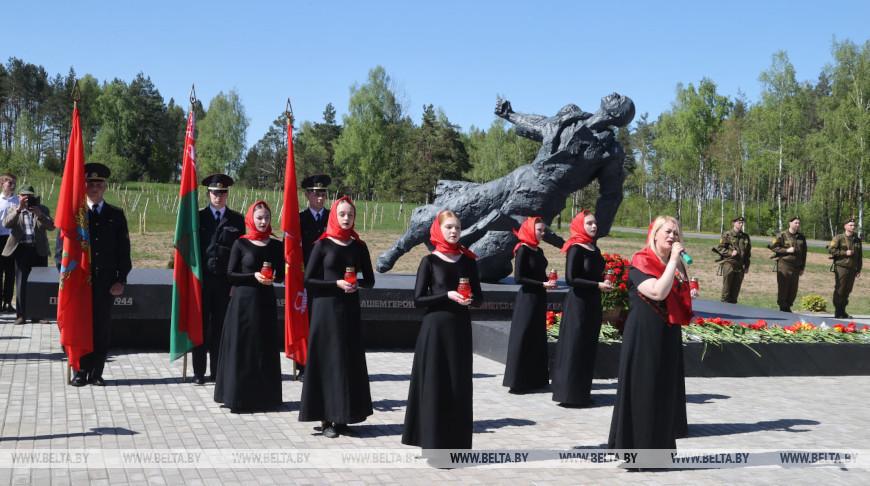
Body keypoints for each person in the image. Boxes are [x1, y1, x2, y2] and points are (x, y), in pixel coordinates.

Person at [608, 216, 698, 451]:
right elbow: (657, 292)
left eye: (676, 233)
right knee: (644, 387)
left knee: (664, 388)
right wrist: (673, 263)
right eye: (667, 232)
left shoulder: (675, 263)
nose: (672, 237)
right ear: (655, 234)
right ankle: (636, 448)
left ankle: (658, 449)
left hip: (667, 332)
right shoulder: (641, 260)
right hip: (644, 334)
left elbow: (674, 294)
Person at [402, 211, 483, 449]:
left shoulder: (468, 260)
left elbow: (479, 297)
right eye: (449, 227)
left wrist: (470, 301)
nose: (454, 231)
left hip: (459, 329)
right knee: (435, 384)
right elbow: (418, 299)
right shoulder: (429, 261)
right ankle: (432, 441)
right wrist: (447, 295)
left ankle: (456, 445)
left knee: (458, 385)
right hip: (435, 330)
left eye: (457, 227)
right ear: (439, 229)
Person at [299, 197, 375, 438]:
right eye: (342, 214)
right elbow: (308, 280)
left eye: (350, 215)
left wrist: (355, 285)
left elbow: (370, 280)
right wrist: (336, 283)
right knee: (327, 362)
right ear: (334, 215)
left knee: (346, 362)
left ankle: (343, 416)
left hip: (349, 309)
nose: (346, 219)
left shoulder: (358, 246)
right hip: (325, 310)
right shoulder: (322, 245)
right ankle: (326, 420)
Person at [213, 201, 285, 412]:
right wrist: (253, 276)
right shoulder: (241, 243)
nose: (263, 222)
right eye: (259, 218)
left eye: (267, 218)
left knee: (264, 347)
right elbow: (230, 274)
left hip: (265, 302)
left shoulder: (276, 245)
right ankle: (238, 396)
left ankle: (265, 397)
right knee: (242, 348)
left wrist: (273, 278)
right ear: (251, 220)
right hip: (243, 303)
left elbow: (281, 275)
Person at [70, 163, 131, 387]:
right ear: (84, 187)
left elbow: (124, 251)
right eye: (90, 184)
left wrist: (121, 280)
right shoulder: (76, 214)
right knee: (80, 326)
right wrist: (65, 276)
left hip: (105, 281)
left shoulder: (116, 215)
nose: (94, 189)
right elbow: (63, 251)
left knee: (101, 328)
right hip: (79, 281)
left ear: (105, 187)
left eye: (98, 185)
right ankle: (80, 371)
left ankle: (96, 372)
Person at [551, 211, 613, 407]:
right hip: (578, 303)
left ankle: (582, 393)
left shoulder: (594, 248)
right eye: (589, 223)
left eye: (595, 223)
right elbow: (571, 279)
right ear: (579, 225)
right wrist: (597, 285)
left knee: (588, 346)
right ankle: (568, 394)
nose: (594, 226)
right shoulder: (575, 248)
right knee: (575, 346)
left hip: (593, 302)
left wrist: (604, 282)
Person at [192, 174, 245, 385]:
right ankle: (198, 372)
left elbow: (241, 253)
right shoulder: (198, 217)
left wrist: (235, 282)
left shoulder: (236, 220)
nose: (219, 196)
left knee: (221, 328)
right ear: (208, 194)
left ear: (227, 194)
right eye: (215, 192)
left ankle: (218, 371)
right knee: (200, 327)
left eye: (222, 192)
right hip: (202, 281)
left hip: (225, 282)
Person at [502, 216, 557, 393]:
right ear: (530, 230)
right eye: (539, 230)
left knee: (537, 337)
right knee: (524, 336)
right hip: (527, 298)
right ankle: (518, 381)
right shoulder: (523, 249)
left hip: (539, 297)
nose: (542, 233)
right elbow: (519, 278)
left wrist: (548, 281)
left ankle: (536, 379)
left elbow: (539, 274)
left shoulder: (538, 251)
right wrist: (543, 284)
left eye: (543, 230)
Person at [3, 185, 55, 324]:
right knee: (21, 283)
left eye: (30, 196)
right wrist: (18, 210)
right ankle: (21, 315)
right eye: (24, 196)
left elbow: (51, 226)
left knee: (40, 284)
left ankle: (38, 315)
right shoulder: (13, 208)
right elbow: (6, 224)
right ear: (19, 197)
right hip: (21, 250)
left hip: (39, 250)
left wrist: (40, 215)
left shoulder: (42, 209)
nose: (27, 199)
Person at [296, 173, 331, 380]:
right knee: (305, 322)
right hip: (305, 278)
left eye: (323, 193)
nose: (321, 198)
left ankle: (323, 364)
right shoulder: (299, 219)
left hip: (327, 277)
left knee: (324, 322)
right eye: (316, 193)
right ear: (308, 195)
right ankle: (303, 366)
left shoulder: (332, 218)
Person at [769, 216, 807, 312]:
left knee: (793, 288)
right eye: (795, 223)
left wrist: (802, 267)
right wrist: (786, 250)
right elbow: (773, 247)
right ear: (790, 223)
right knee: (783, 286)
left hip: (796, 266)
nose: (797, 225)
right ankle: (783, 307)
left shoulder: (801, 237)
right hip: (784, 265)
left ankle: (788, 306)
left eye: (799, 223)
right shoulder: (782, 235)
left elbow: (804, 254)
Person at [828, 218, 863, 319]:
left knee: (848, 289)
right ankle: (838, 310)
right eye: (851, 225)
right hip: (842, 267)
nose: (853, 227)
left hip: (852, 268)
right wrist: (844, 253)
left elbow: (859, 255)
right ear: (845, 226)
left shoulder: (857, 240)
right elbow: (831, 249)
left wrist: (858, 269)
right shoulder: (839, 238)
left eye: (854, 225)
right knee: (840, 288)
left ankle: (843, 310)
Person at [715, 216, 751, 303]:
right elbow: (720, 248)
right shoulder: (727, 235)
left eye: (742, 223)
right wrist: (730, 252)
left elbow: (747, 253)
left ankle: (733, 309)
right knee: (726, 291)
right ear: (734, 223)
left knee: (735, 292)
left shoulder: (745, 237)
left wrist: (746, 266)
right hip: (729, 264)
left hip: (740, 266)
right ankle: (724, 310)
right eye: (739, 222)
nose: (741, 224)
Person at [0, 173, 18, 312]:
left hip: (12, 239)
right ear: (2, 184)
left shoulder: (18, 201)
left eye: (14, 183)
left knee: (11, 272)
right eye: (9, 183)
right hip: (0, 238)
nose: (12, 186)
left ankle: (8, 302)